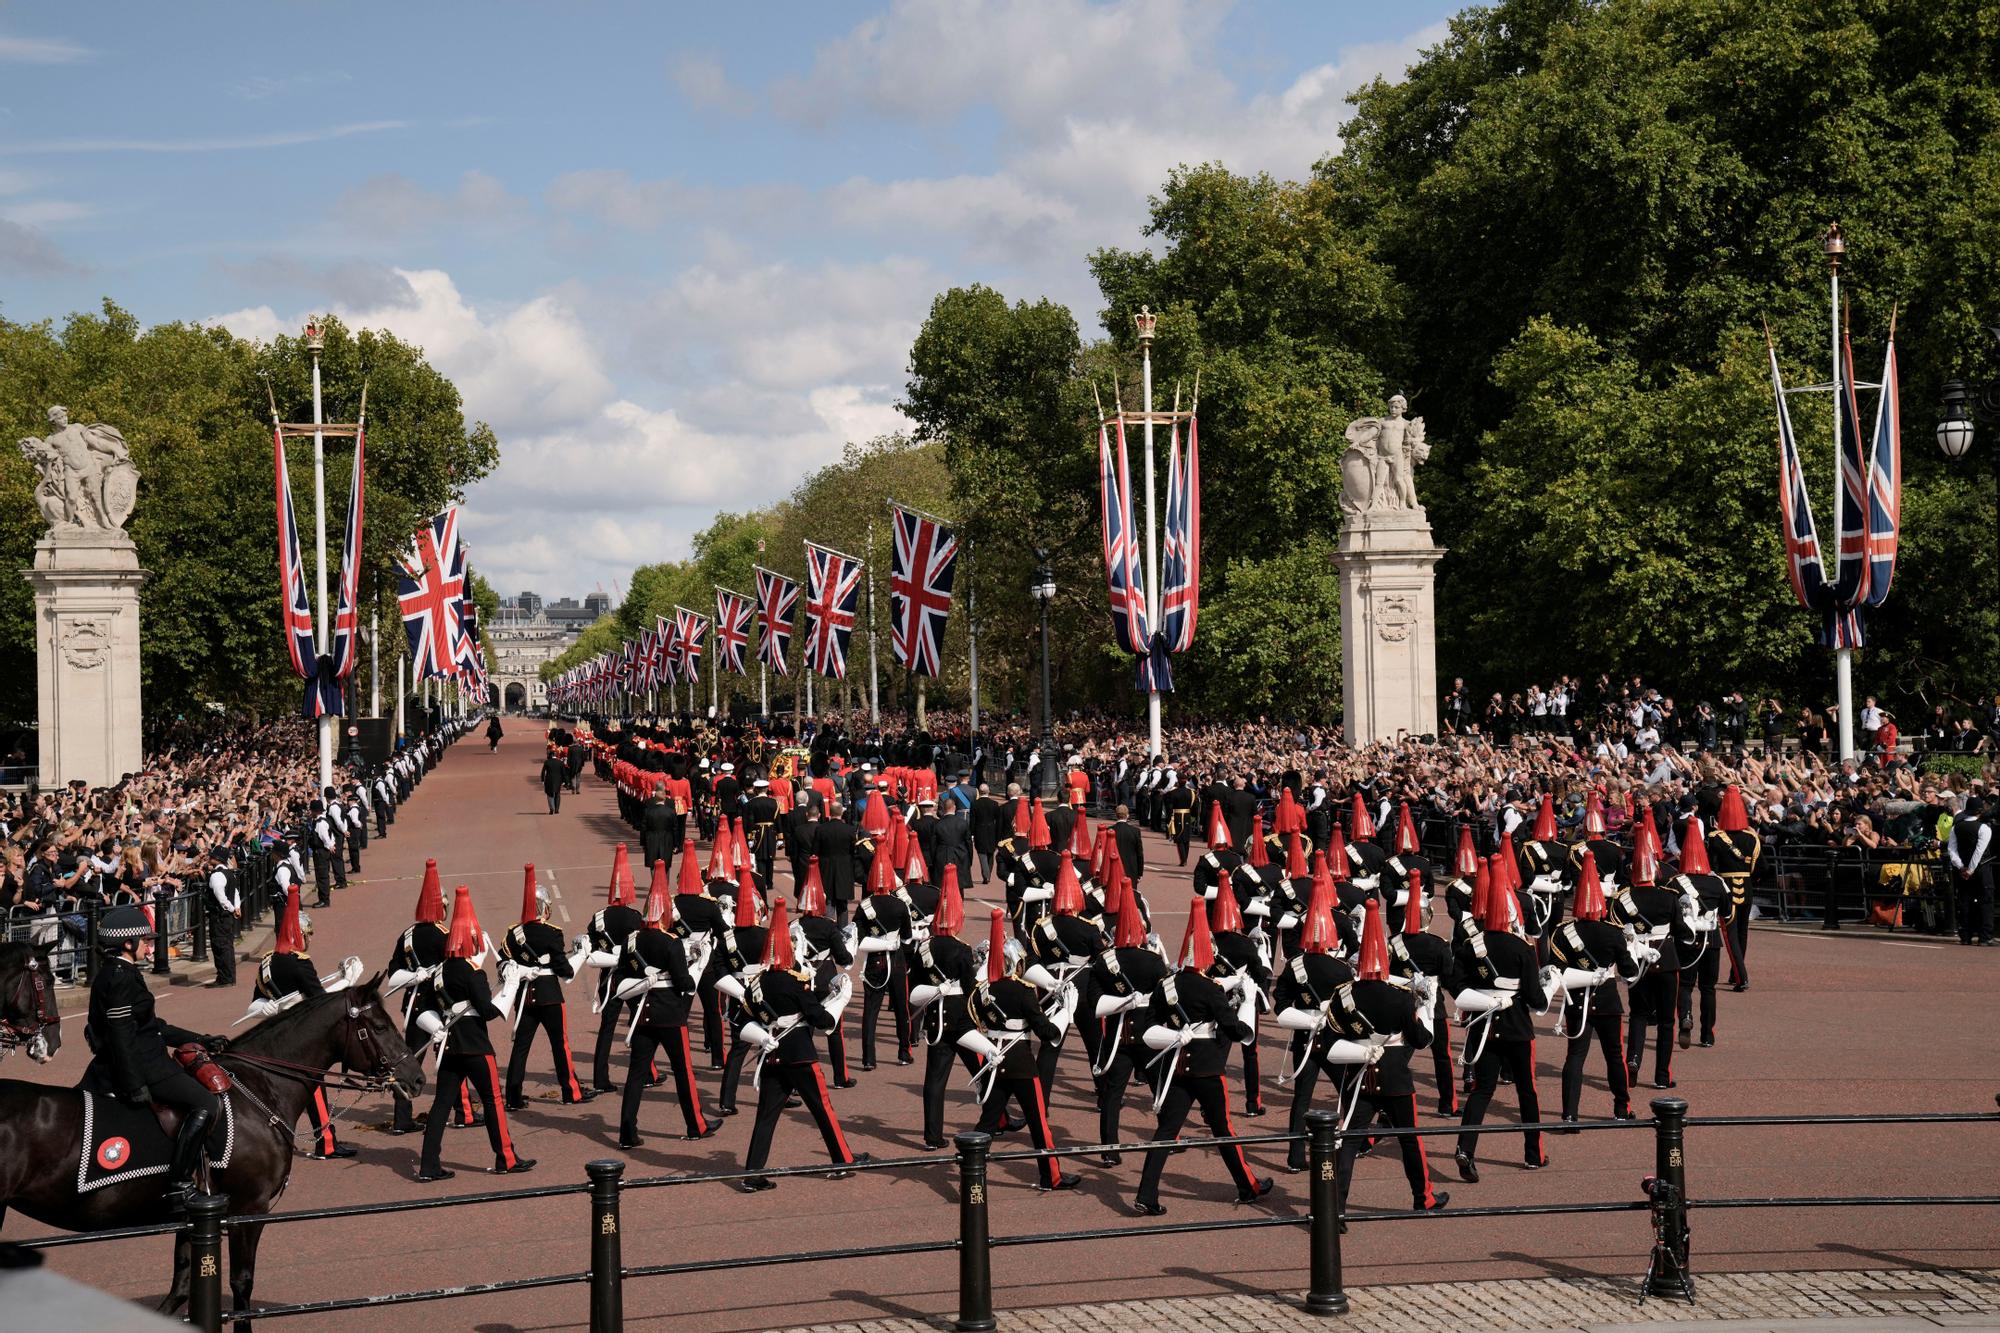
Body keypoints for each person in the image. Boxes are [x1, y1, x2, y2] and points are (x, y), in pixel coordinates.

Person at [80, 903, 227, 1211]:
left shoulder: (121, 971)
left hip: (145, 1056)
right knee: (207, 1103)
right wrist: (135, 1084)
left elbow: (153, 1027)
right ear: (128, 944)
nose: (150, 945)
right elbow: (122, 1037)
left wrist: (198, 1039)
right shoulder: (120, 977)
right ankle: (180, 1185)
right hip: (145, 1065)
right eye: (146, 940)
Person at [717, 899, 868, 1192]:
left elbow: (741, 1022)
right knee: (822, 1108)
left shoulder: (757, 985)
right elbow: (822, 1021)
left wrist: (762, 1038)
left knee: (766, 1117)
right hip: (799, 1053)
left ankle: (752, 1174)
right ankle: (842, 1161)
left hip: (772, 1055)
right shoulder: (795, 982)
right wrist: (841, 999)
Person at [1132, 900, 1272, 1216]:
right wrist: (1248, 1000)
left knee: (1166, 1131)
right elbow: (1237, 1030)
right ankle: (1247, 1185)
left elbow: (1149, 1027)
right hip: (1207, 1067)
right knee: (1223, 1129)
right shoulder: (1210, 990)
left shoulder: (1166, 985)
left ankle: (1146, 1193)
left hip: (1178, 1066)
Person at [1332, 900, 1448, 1214]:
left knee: (1349, 1142)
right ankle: (1423, 1198)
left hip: (1358, 1074)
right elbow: (1420, 1040)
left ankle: (1336, 1207)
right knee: (1410, 1139)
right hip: (1395, 1075)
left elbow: (1332, 1035)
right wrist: (1425, 1006)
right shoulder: (1400, 998)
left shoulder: (1344, 995)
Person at [416, 886, 532, 1181]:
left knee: (441, 1104)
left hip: (450, 1047)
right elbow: (488, 1011)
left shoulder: (440, 972)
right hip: (476, 1046)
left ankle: (429, 1164)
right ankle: (505, 1156)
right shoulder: (472, 972)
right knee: (492, 1099)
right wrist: (512, 985)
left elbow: (423, 1011)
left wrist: (437, 1028)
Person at [1452, 869, 1549, 1182]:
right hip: (1517, 1027)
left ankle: (1465, 1148)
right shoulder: (1522, 949)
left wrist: (1484, 998)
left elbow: (1456, 986)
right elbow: (1535, 999)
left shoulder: (1471, 946)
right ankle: (1533, 1155)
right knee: (1527, 1093)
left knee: (1481, 1092)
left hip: (1484, 1027)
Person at [251, 886, 359, 1159]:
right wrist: (347, 982)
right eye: (307, 935)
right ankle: (326, 1142)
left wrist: (270, 1006)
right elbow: (319, 1002)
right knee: (315, 1084)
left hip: (275, 1032)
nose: (309, 941)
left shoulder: (267, 962)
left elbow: (255, 1004)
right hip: (299, 1034)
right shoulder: (300, 963)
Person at [614, 866, 713, 1148]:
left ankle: (627, 1132)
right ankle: (695, 1125)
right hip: (670, 1012)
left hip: (643, 1012)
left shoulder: (632, 940)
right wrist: (698, 964)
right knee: (683, 1071)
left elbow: (620, 975)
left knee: (636, 1074)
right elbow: (684, 983)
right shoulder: (671, 943)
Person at [1548, 853, 1639, 1127]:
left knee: (1575, 1056)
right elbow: (1629, 972)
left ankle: (1569, 1114)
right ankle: (1621, 1107)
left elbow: (1556, 969)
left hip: (1578, 1000)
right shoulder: (1614, 932)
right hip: (1608, 1001)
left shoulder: (1563, 932)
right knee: (1614, 1055)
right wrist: (1632, 950)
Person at [501, 867, 592, 1109]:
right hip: (549, 994)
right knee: (559, 1044)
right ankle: (570, 1091)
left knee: (521, 1047)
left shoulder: (512, 934)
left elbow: (503, 963)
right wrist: (579, 956)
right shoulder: (552, 933)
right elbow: (565, 970)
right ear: (544, 907)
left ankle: (513, 1096)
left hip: (525, 996)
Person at [385, 861, 451, 1136]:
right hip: (439, 1005)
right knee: (450, 1060)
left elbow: (393, 972)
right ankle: (459, 1110)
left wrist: (414, 976)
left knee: (409, 1062)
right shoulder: (443, 935)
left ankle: (402, 1118)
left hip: (413, 1005)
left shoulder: (407, 935)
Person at [1708, 787, 1760, 990]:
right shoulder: (1752, 838)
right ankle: (1735, 972)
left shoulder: (1716, 837)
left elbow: (1713, 867)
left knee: (1730, 936)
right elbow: (1761, 867)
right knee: (1742, 933)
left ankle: (1741, 977)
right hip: (1746, 887)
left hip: (1727, 888)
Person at [1948, 796, 1994, 946]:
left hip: (1962, 870)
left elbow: (1952, 850)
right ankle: (1984, 937)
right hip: (1981, 869)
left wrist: (1961, 866)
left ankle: (1965, 935)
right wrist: (1971, 869)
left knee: (1965, 902)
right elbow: (1979, 851)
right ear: (1980, 811)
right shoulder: (1984, 828)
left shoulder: (1956, 827)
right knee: (1985, 902)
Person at [203, 844, 241, 988]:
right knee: (227, 946)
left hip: (219, 915)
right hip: (227, 916)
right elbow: (235, 892)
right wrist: (237, 907)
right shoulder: (229, 873)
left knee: (220, 946)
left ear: (216, 858)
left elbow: (221, 898)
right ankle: (229, 976)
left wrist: (232, 909)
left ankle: (224, 978)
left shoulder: (217, 875)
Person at [541, 747, 568, 816]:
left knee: (550, 795)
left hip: (549, 780)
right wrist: (565, 781)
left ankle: (551, 808)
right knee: (557, 794)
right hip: (558, 780)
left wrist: (542, 780)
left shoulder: (547, 762)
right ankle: (556, 809)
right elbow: (563, 773)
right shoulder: (560, 762)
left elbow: (543, 772)